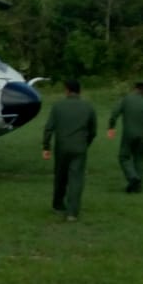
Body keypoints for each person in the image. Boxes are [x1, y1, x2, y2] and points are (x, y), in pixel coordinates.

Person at [42, 79, 97, 221]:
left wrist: (46, 147)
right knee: (76, 179)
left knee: (60, 176)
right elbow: (93, 131)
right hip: (80, 147)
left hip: (62, 146)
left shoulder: (58, 106)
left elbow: (49, 128)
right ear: (80, 91)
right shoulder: (88, 107)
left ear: (67, 90)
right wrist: (86, 144)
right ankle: (72, 212)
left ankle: (58, 204)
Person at [107, 82, 143, 193]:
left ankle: (133, 177)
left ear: (135, 89)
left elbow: (114, 113)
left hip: (128, 134)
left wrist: (111, 127)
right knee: (139, 159)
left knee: (124, 157)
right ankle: (138, 187)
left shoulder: (126, 99)